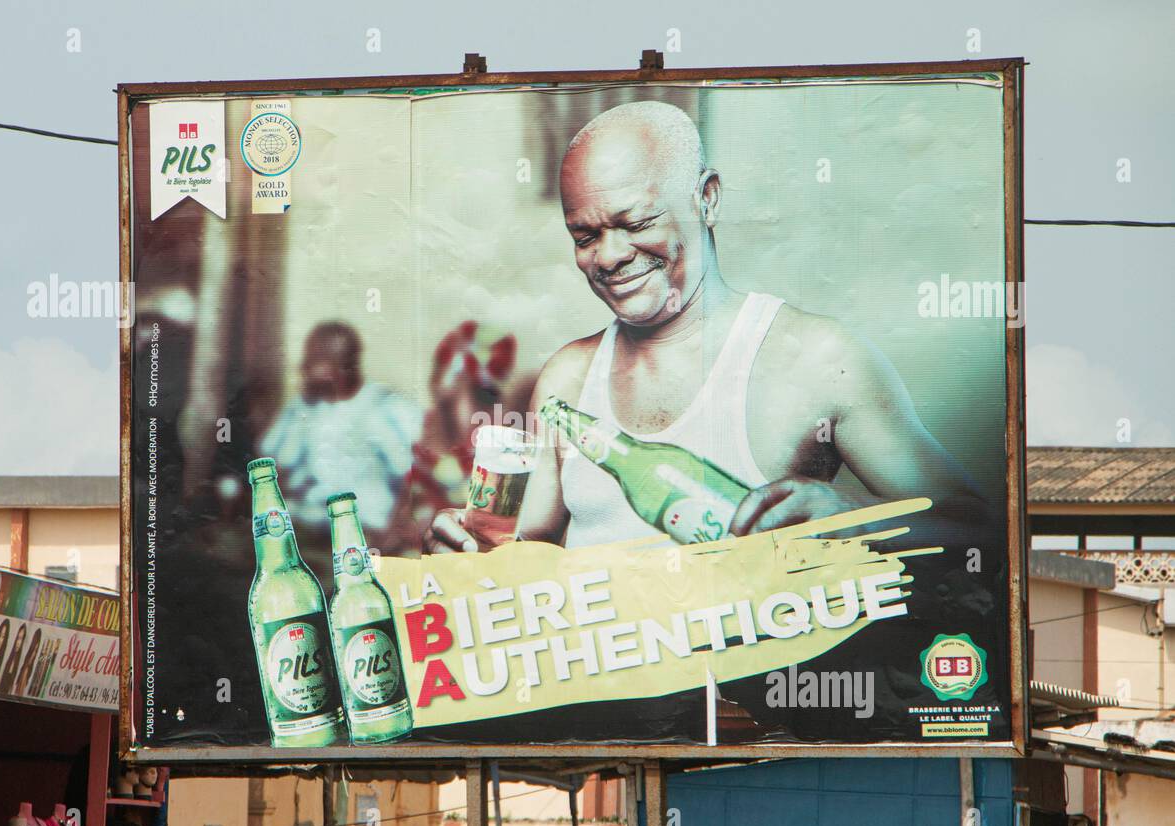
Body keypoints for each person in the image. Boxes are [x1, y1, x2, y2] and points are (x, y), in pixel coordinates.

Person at [425, 100, 989, 555]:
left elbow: (977, 527)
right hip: (613, 694)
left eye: (636, 222)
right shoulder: (568, 377)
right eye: (584, 236)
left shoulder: (816, 357)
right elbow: (529, 547)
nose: (610, 255)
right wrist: (468, 546)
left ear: (706, 198)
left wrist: (858, 521)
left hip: (754, 694)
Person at [260, 322, 421, 549]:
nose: (303, 368)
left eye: (315, 361)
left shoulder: (379, 408)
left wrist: (395, 531)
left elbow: (412, 476)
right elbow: (276, 463)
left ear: (343, 367)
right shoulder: (304, 406)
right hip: (307, 526)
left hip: (366, 530)